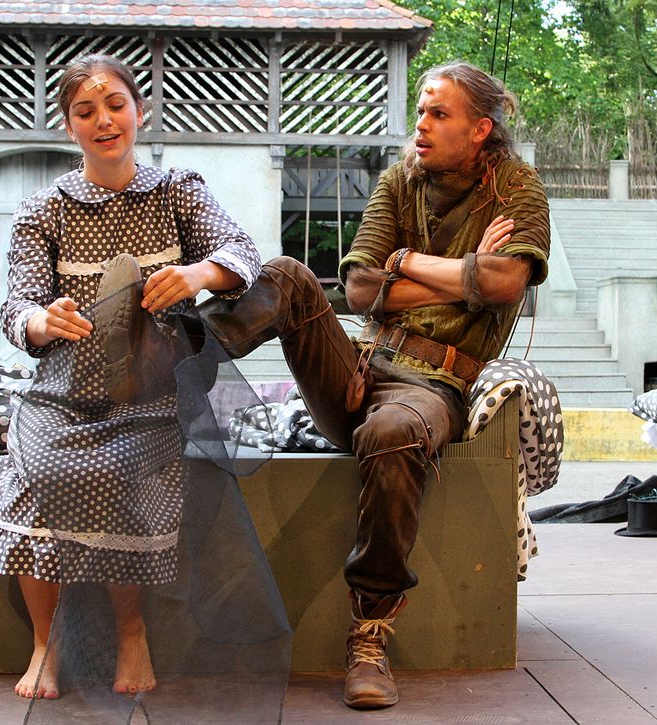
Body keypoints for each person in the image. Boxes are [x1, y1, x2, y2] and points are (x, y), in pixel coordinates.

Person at [198, 60, 550, 709]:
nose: (421, 125)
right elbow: (360, 289)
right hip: (359, 367)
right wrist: (464, 272)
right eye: (420, 111)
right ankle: (182, 355)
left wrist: (407, 263)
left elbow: (507, 283)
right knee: (289, 274)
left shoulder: (516, 188)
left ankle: (369, 636)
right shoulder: (399, 180)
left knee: (392, 430)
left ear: (479, 128)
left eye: (438, 114)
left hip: (433, 386)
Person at [0, 54, 262, 700]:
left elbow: (242, 252)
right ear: (68, 125)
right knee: (37, 470)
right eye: (85, 111)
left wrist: (197, 274)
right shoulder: (43, 211)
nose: (103, 120)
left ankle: (132, 632)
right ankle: (46, 642)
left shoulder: (177, 190)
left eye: (115, 105)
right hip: (61, 391)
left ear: (141, 111)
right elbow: (16, 308)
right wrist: (43, 321)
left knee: (118, 469)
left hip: (150, 390)